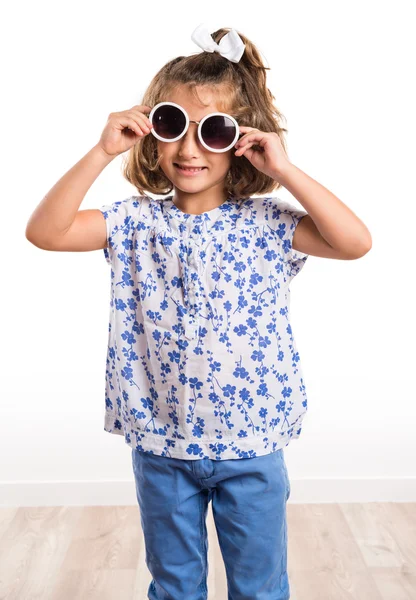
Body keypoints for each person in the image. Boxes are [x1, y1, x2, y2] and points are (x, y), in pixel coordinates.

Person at [25, 22, 372, 600]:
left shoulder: (270, 225)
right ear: (149, 132)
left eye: (211, 131)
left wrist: (283, 169)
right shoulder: (133, 222)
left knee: (260, 587)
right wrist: (100, 150)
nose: (188, 149)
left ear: (242, 140)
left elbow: (355, 241)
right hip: (162, 446)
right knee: (175, 586)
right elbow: (46, 232)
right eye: (170, 126)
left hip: (252, 444)